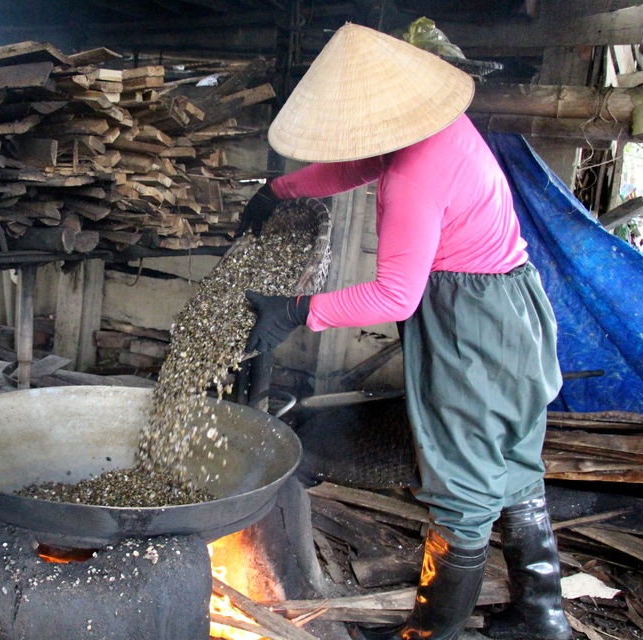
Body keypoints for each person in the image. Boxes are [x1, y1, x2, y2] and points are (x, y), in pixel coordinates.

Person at [238, 23, 571, 640]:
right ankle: (541, 618)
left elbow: (395, 294)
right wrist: (280, 190)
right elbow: (359, 165)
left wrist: (295, 309)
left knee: (463, 483)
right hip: (511, 306)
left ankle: (429, 635)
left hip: (472, 327)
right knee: (514, 460)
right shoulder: (437, 127)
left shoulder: (416, 176)